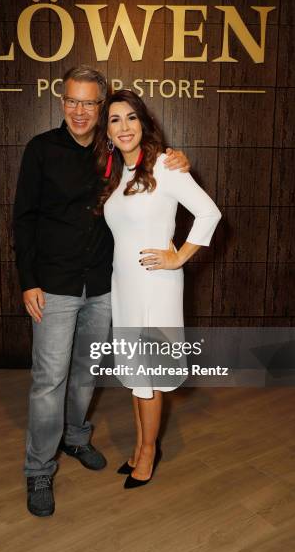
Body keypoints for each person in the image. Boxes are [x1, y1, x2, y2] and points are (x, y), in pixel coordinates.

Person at [13, 66, 190, 516]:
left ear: (101, 107)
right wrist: (28, 281)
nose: (80, 111)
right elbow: (24, 219)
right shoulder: (41, 150)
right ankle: (38, 470)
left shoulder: (116, 151)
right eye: (72, 101)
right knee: (48, 380)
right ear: (61, 102)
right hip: (53, 285)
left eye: (90, 103)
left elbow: (154, 175)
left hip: (105, 285)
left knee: (85, 373)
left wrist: (177, 158)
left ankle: (75, 438)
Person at [94, 89, 222, 489]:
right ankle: (140, 446)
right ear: (108, 132)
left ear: (143, 123)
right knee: (137, 376)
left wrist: (179, 257)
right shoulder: (118, 174)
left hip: (156, 287)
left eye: (130, 117)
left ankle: (148, 454)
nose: (124, 126)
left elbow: (209, 212)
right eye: (115, 120)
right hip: (126, 287)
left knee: (148, 374)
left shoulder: (166, 166)